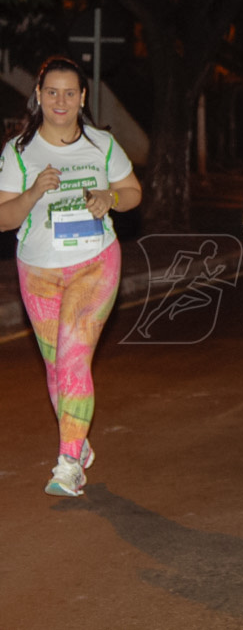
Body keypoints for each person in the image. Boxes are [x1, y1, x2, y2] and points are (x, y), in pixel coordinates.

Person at [0, 56, 142, 497]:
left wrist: (110, 196)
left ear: (83, 98)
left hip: (95, 261)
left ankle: (67, 464)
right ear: (38, 97)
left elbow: (134, 193)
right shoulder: (18, 152)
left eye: (69, 93)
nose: (60, 101)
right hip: (38, 269)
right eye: (51, 92)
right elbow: (4, 219)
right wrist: (34, 192)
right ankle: (77, 440)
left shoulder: (101, 144)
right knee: (56, 366)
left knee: (74, 355)